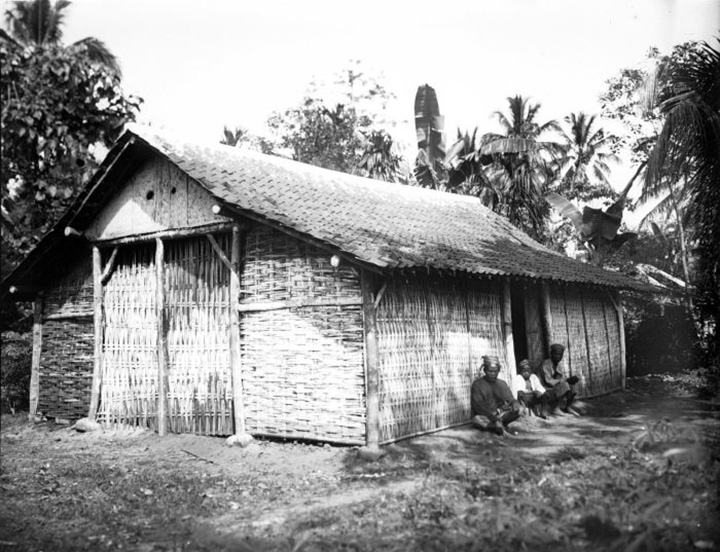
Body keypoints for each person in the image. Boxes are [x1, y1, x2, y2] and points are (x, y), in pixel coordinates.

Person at [471, 355, 522, 435]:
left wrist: (515, 403)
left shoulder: (502, 384)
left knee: (521, 409)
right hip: (487, 416)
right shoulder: (477, 385)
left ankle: (500, 425)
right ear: (485, 370)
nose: (493, 374)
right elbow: (478, 407)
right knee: (477, 419)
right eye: (490, 371)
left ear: (498, 371)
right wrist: (494, 419)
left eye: (495, 371)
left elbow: (511, 399)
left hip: (501, 414)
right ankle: (496, 427)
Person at [540, 343, 580, 414]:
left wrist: (569, 380)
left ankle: (567, 407)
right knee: (565, 385)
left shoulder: (558, 365)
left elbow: (562, 378)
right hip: (547, 389)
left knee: (573, 385)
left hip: (556, 387)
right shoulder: (546, 364)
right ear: (551, 354)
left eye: (560, 354)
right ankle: (556, 408)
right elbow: (548, 381)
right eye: (557, 354)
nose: (559, 356)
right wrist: (564, 381)